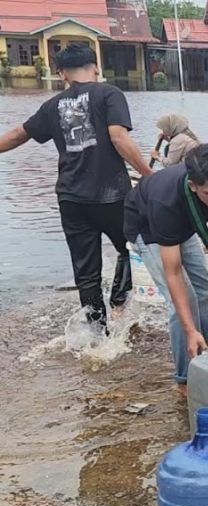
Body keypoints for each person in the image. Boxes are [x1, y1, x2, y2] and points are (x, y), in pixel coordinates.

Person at [0, 43, 152, 330]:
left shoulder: (52, 105)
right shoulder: (110, 94)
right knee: (136, 247)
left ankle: (96, 335)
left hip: (71, 199)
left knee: (86, 272)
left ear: (62, 74)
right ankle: (120, 302)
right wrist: (148, 174)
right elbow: (118, 137)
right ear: (95, 67)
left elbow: (19, 134)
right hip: (112, 195)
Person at [125, 143, 208, 385]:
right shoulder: (165, 200)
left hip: (185, 224)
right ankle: (186, 377)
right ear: (192, 184)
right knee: (183, 300)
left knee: (204, 290)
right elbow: (173, 272)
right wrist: (189, 329)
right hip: (149, 228)